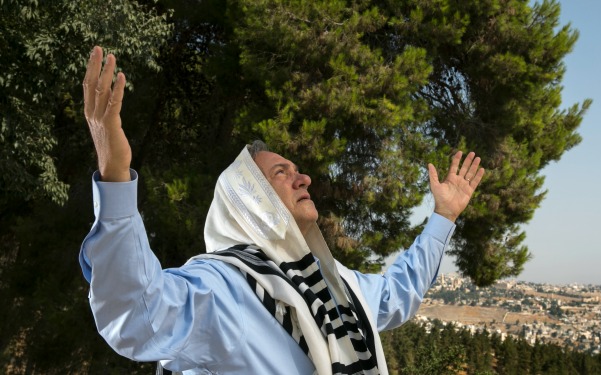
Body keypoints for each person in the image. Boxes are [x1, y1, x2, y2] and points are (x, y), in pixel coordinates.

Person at [79, 46, 485, 374]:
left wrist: (443, 217)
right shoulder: (224, 288)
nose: (303, 178)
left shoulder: (334, 284)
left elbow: (398, 293)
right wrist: (115, 177)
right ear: (250, 201)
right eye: (281, 172)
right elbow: (137, 315)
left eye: (297, 170)